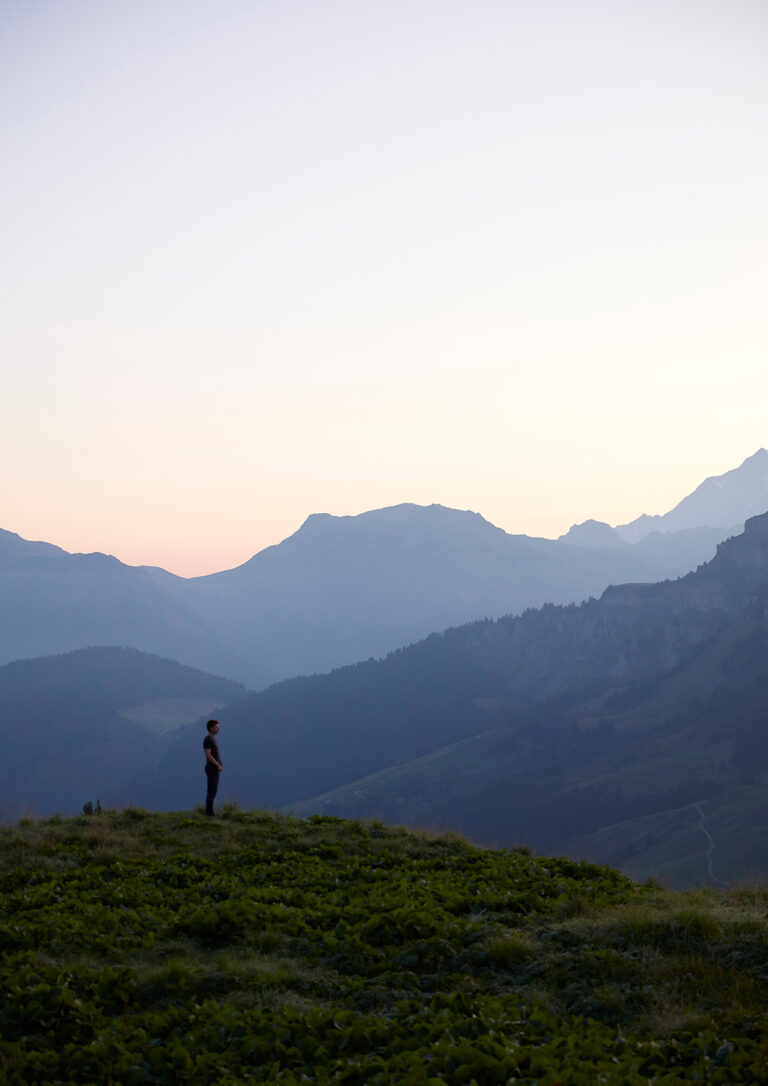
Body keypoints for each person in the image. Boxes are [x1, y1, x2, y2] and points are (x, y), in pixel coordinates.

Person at [203, 719, 223, 816]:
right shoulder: (208, 740)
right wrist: (217, 765)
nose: (218, 728)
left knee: (214, 790)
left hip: (215, 769)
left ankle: (210, 811)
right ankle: (209, 813)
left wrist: (220, 764)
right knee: (211, 791)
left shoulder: (213, 739)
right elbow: (208, 755)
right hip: (212, 769)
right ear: (211, 728)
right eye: (216, 727)